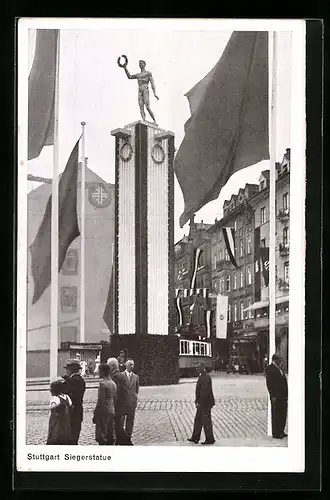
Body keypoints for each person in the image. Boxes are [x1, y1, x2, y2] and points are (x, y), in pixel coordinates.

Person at [122, 59, 159, 124]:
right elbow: (129, 76)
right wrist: (125, 68)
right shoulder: (138, 75)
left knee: (147, 107)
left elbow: (152, 83)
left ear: (144, 64)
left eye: (141, 63)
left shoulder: (148, 73)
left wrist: (155, 93)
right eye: (139, 63)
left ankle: (154, 120)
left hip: (145, 90)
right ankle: (144, 120)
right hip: (140, 91)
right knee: (141, 107)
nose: (140, 64)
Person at [188, 361, 216, 445]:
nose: (196, 369)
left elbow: (205, 392)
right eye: (196, 367)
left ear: (202, 368)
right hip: (202, 403)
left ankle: (210, 439)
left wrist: (200, 402)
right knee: (198, 420)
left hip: (205, 403)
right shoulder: (202, 376)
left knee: (206, 421)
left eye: (198, 368)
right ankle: (195, 437)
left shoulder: (205, 377)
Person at [62, 359, 86, 445]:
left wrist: (66, 381)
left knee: (71, 438)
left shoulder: (72, 381)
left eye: (67, 369)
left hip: (71, 413)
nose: (66, 371)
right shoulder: (81, 380)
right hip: (78, 412)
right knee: (75, 436)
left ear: (71, 370)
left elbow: (68, 394)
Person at [107, 357, 129, 445]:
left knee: (117, 429)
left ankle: (128, 445)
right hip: (121, 407)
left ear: (112, 367)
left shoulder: (115, 377)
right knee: (118, 429)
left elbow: (115, 394)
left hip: (117, 408)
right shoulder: (121, 376)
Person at [93, 363, 117, 445]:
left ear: (103, 372)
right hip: (111, 410)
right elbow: (115, 398)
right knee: (110, 433)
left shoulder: (103, 384)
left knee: (102, 435)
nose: (99, 373)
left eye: (99, 371)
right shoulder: (113, 383)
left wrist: (95, 413)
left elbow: (101, 401)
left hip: (103, 412)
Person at [265, 353, 288, 439]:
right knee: (276, 414)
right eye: (279, 360)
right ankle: (276, 432)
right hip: (276, 395)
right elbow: (269, 383)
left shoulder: (279, 368)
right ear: (275, 360)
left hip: (283, 395)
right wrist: (273, 395)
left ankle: (281, 430)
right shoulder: (270, 369)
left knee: (283, 413)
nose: (281, 362)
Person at [46, 379, 72, 445]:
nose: (50, 390)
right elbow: (70, 406)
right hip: (65, 421)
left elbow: (52, 407)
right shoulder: (66, 397)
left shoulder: (56, 399)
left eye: (51, 388)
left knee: (55, 436)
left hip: (56, 422)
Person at [123, 359, 139, 445]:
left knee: (130, 422)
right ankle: (121, 438)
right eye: (130, 365)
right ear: (126, 366)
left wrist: (135, 399)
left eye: (133, 365)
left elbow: (137, 390)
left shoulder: (136, 377)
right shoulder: (121, 376)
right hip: (123, 403)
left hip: (131, 403)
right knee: (121, 422)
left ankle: (128, 438)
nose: (131, 366)